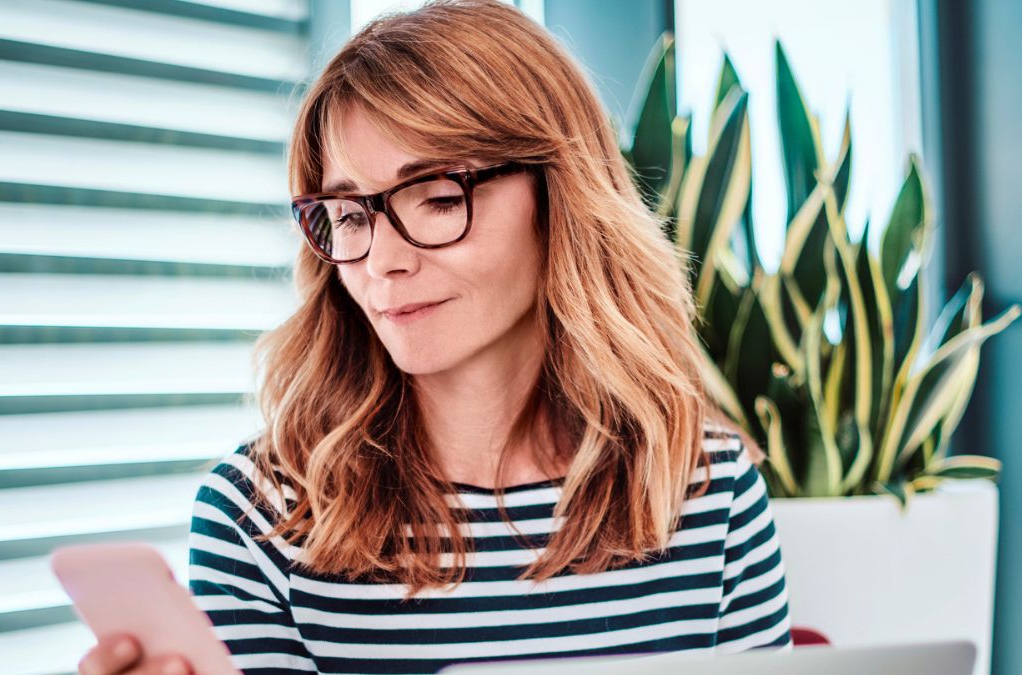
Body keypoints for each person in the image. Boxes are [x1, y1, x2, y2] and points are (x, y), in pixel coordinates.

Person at [77, 1, 792, 673]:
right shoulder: (260, 518)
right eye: (352, 215)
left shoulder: (708, 493)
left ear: (560, 198)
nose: (384, 259)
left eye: (440, 197)